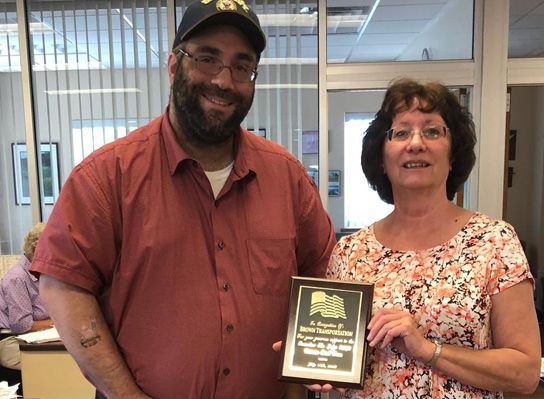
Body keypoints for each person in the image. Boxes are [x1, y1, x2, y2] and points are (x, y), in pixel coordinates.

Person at [30, 1, 335, 398]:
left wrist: (300, 384)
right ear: (174, 65)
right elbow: (63, 287)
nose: (224, 81)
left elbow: (322, 279)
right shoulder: (107, 177)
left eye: (241, 66)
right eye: (207, 58)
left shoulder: (287, 178)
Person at [325, 78, 541, 398]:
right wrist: (314, 364)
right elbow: (342, 362)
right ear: (381, 159)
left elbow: (525, 374)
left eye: (432, 130)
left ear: (453, 154)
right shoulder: (351, 253)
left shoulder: (494, 243)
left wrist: (427, 349)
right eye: (401, 132)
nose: (415, 143)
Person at [0, 222, 52, 370]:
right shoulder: (17, 278)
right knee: (54, 364)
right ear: (38, 250)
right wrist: (58, 323)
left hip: (41, 337)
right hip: (11, 340)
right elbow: (22, 325)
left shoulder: (44, 274)